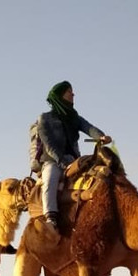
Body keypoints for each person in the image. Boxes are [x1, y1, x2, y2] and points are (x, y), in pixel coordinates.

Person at [31, 81, 111, 231]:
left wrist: (101, 136)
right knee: (50, 179)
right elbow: (49, 146)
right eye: (69, 92)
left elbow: (88, 127)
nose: (73, 94)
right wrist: (62, 162)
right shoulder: (45, 118)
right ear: (59, 96)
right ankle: (51, 217)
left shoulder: (74, 118)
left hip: (74, 159)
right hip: (53, 160)